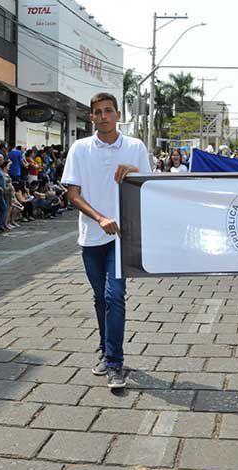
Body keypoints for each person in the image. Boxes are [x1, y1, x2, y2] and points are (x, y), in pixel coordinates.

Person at [61, 92, 151, 389]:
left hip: (122, 237)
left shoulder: (135, 147)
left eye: (109, 111)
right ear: (91, 117)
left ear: (118, 115)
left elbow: (150, 186)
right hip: (91, 236)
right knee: (100, 297)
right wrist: (99, 218)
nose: (104, 116)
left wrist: (134, 171)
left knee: (114, 295)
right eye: (98, 112)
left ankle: (114, 363)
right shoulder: (80, 149)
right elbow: (73, 194)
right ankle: (104, 346)